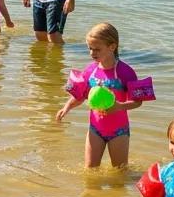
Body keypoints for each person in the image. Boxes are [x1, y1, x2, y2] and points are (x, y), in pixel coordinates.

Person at [56, 22, 146, 168]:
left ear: (112, 46)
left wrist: (119, 106)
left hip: (119, 131)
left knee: (119, 173)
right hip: (95, 129)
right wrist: (67, 107)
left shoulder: (126, 72)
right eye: (90, 49)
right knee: (90, 172)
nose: (92, 53)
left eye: (97, 49)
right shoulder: (90, 70)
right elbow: (81, 95)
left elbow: (138, 101)